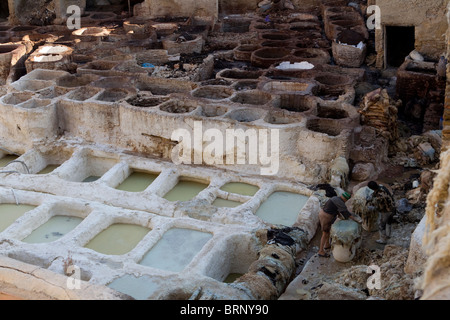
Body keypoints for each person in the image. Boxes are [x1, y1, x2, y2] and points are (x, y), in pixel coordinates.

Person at [318, 192, 362, 258]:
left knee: (328, 231)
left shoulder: (336, 198)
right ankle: (321, 251)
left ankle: (327, 245)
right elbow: (347, 214)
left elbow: (338, 210)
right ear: (345, 199)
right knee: (324, 233)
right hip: (326, 216)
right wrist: (356, 219)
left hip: (323, 213)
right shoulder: (340, 202)